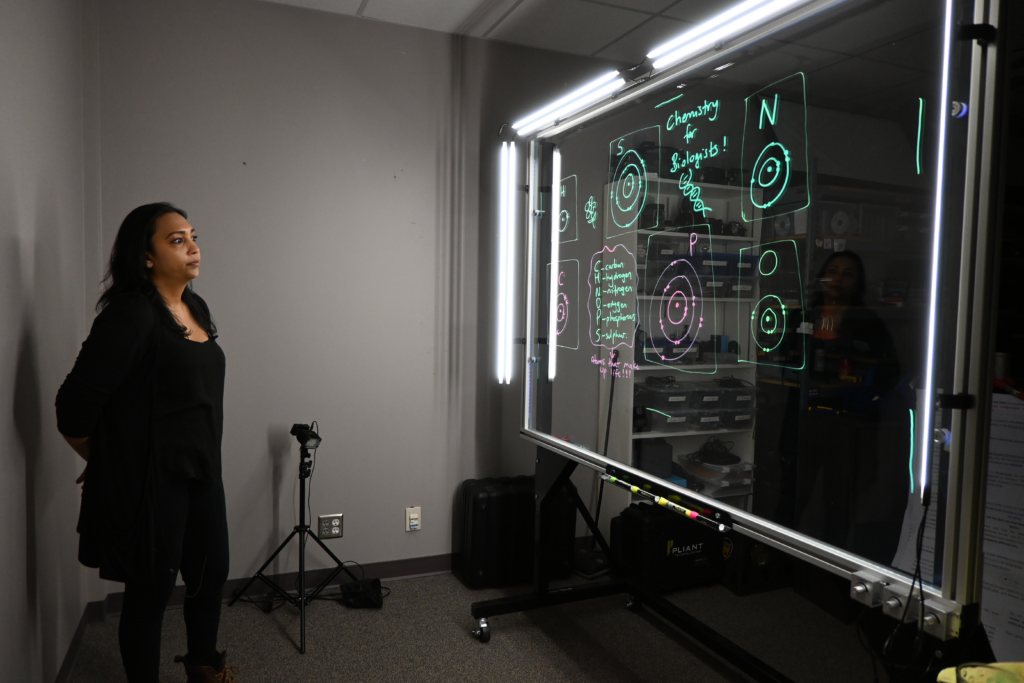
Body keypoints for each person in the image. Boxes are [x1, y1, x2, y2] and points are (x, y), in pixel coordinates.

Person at [55, 203, 237, 683]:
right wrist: (108, 462)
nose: (193, 246)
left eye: (193, 235)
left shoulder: (193, 306)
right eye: (176, 239)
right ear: (146, 255)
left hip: (202, 472)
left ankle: (204, 667)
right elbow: (72, 408)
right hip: (154, 485)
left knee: (209, 574)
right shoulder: (131, 315)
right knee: (151, 593)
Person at [795, 250, 913, 565]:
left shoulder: (868, 321)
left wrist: (859, 390)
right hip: (802, 415)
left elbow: (889, 371)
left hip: (848, 424)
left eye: (847, 273)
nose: (837, 278)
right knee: (796, 490)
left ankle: (834, 569)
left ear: (858, 281)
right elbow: (787, 360)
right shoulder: (805, 316)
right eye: (832, 270)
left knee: (840, 500)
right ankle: (786, 563)